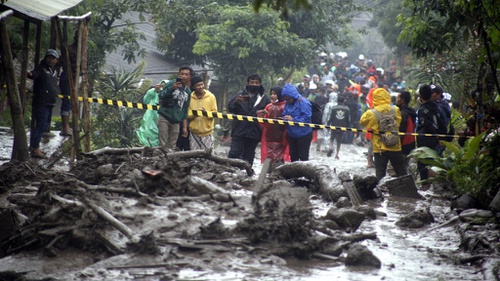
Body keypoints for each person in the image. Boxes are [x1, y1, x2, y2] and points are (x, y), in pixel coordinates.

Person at [360, 88, 407, 180]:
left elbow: (362, 121)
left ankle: (380, 192)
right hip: (395, 146)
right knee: (401, 171)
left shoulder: (371, 113)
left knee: (380, 173)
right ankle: (408, 190)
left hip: (379, 148)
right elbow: (398, 121)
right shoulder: (396, 109)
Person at [227, 74, 271, 166]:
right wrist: (236, 101)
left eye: (256, 83)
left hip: (254, 132)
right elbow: (231, 108)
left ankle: (247, 175)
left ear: (260, 84)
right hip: (239, 130)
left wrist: (263, 113)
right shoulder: (241, 95)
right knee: (234, 153)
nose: (254, 85)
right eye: (252, 82)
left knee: (249, 156)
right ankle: (230, 173)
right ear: (247, 83)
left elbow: (269, 113)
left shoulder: (264, 98)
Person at [27, 49, 62, 158]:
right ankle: (34, 149)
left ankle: (35, 147)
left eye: (52, 58)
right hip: (41, 102)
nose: (50, 60)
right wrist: (29, 73)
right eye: (48, 57)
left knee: (44, 126)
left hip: (49, 103)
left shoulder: (54, 71)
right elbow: (33, 74)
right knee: (40, 126)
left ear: (56, 60)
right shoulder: (41, 69)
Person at [157, 66, 192, 149]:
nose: (184, 76)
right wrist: (172, 89)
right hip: (164, 116)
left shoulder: (188, 91)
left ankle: (170, 160)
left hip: (176, 120)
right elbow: (161, 95)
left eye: (186, 75)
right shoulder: (170, 83)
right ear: (179, 75)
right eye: (182, 74)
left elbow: (185, 109)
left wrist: (184, 127)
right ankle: (159, 160)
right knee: (163, 143)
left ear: (190, 76)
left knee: (173, 144)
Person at [415, 84, 442, 190]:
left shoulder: (423, 110)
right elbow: (442, 123)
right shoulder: (436, 107)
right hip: (435, 139)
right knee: (429, 162)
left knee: (422, 163)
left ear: (421, 96)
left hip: (425, 140)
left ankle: (425, 186)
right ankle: (432, 184)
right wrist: (440, 137)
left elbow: (427, 125)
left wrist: (434, 134)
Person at [281, 83, 313, 162]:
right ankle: (295, 174)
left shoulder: (304, 103)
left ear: (293, 96)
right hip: (292, 134)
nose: (287, 101)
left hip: (304, 134)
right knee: (293, 158)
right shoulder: (287, 103)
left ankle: (304, 174)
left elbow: (307, 117)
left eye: (288, 99)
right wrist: (284, 118)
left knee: (303, 158)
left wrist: (293, 119)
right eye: (286, 99)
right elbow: (284, 113)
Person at [187, 75, 218, 149]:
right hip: (194, 133)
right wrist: (195, 114)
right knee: (194, 157)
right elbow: (186, 115)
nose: (201, 87)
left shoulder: (211, 96)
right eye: (198, 85)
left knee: (208, 157)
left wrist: (205, 113)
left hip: (207, 133)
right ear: (193, 87)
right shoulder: (189, 97)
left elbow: (215, 113)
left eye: (202, 84)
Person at [260, 86, 288, 166]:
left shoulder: (284, 106)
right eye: (271, 94)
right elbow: (263, 122)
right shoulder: (268, 106)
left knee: (279, 157)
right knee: (269, 156)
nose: (272, 96)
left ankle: (278, 172)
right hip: (269, 135)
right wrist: (261, 115)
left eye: (274, 94)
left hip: (281, 136)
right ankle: (268, 172)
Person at [137, 80, 167, 147]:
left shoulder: (170, 96)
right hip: (150, 118)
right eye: (162, 85)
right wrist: (155, 90)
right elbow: (145, 101)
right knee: (147, 133)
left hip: (163, 119)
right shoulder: (154, 94)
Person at [396, 91, 417, 157]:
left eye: (398, 98)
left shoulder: (403, 113)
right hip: (411, 143)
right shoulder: (411, 111)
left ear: (402, 100)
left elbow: (401, 129)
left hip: (403, 144)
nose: (396, 100)